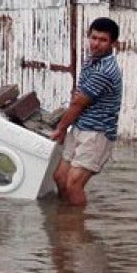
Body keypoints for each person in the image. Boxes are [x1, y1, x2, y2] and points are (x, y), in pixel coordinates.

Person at [50, 17, 123, 206]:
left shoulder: (105, 70)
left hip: (97, 133)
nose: (96, 44)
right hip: (80, 127)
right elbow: (79, 97)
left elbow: (78, 104)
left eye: (103, 40)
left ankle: (77, 230)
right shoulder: (91, 61)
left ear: (113, 43)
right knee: (60, 178)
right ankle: (64, 221)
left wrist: (60, 129)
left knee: (73, 184)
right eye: (93, 37)